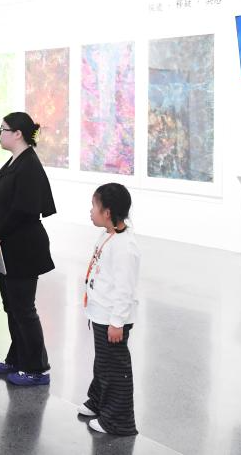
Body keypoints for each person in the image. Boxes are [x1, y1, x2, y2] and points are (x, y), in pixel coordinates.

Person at [0, 111, 57, 387]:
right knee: (11, 307)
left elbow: (24, 211)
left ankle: (36, 368)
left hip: (24, 247)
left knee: (23, 309)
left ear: (18, 134)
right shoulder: (13, 162)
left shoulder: (30, 166)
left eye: (3, 129)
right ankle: (17, 358)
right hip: (6, 247)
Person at [80, 183, 140, 436]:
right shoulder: (108, 235)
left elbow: (125, 289)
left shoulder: (125, 247)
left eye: (94, 206)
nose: (90, 210)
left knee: (115, 369)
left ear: (107, 212)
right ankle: (98, 402)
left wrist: (117, 322)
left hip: (112, 318)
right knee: (103, 363)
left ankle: (117, 421)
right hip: (101, 313)